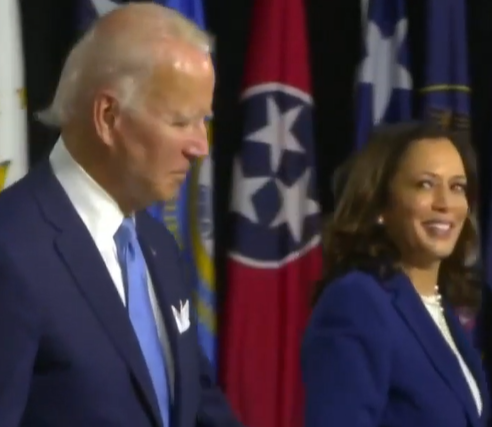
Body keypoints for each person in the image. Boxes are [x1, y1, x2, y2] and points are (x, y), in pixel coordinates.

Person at [0, 3, 242, 427]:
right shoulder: (12, 248)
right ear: (108, 117)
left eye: (203, 121)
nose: (200, 147)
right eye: (181, 121)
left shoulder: (156, 245)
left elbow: (197, 405)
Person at [301, 122, 490, 427]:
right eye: (425, 184)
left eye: (457, 187)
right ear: (380, 205)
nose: (445, 204)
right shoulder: (357, 302)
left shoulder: (440, 308)